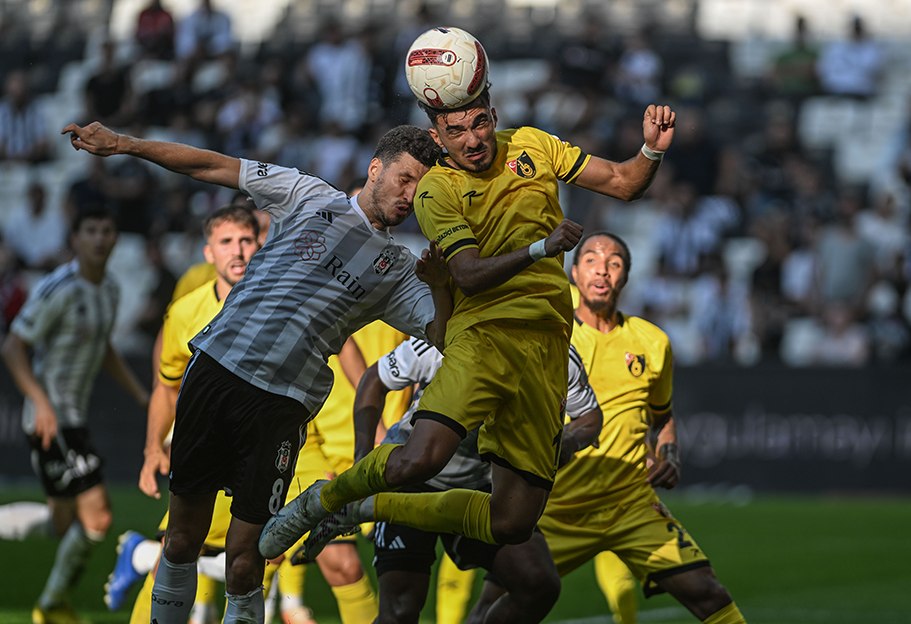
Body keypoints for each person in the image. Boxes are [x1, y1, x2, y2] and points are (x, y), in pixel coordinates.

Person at [264, 73, 675, 598]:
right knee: (421, 458)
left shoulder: (535, 146)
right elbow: (468, 275)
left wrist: (650, 151)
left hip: (547, 349)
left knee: (512, 524)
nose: (472, 138)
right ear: (438, 138)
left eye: (480, 122)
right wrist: (540, 250)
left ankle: (366, 506)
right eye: (456, 130)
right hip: (482, 335)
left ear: (494, 118)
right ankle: (325, 501)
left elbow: (623, 181)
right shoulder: (438, 188)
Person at [60, 119, 453, 624]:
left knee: (248, 562)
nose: (411, 194)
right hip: (217, 372)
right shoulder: (309, 193)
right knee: (181, 539)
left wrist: (442, 285)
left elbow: (443, 335)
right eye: (405, 178)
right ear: (375, 168)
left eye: (422, 188)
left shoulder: (401, 268)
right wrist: (123, 144)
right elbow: (212, 164)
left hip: (281, 406)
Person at [468, 232, 747, 624]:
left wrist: (669, 452)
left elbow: (662, 415)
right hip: (552, 510)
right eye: (592, 261)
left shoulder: (653, 342)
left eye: (614, 262)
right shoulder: (548, 333)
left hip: (629, 504)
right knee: (491, 608)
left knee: (708, 593)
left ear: (626, 276)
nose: (603, 269)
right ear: (574, 273)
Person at [345, 336, 603, 624]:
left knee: (537, 584)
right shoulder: (449, 335)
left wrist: (566, 444)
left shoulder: (558, 353)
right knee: (400, 610)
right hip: (410, 480)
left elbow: (590, 416)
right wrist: (362, 462)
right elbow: (374, 378)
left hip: (481, 487)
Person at [102, 205, 260, 622]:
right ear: (208, 252)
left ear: (259, 244)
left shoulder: (277, 303)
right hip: (205, 445)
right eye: (226, 242)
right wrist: (154, 446)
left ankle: (140, 555)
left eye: (245, 240)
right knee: (187, 548)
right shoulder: (185, 311)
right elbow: (166, 386)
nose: (238, 251)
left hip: (264, 444)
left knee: (250, 556)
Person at [0, 206, 149, 624]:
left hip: (73, 417)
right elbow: (13, 347)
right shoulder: (57, 287)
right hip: (51, 417)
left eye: (107, 230)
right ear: (75, 239)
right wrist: (41, 402)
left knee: (63, 524)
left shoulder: (111, 290)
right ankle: (50, 605)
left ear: (116, 238)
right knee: (98, 515)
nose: (100, 238)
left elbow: (103, 347)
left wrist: (138, 393)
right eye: (91, 231)